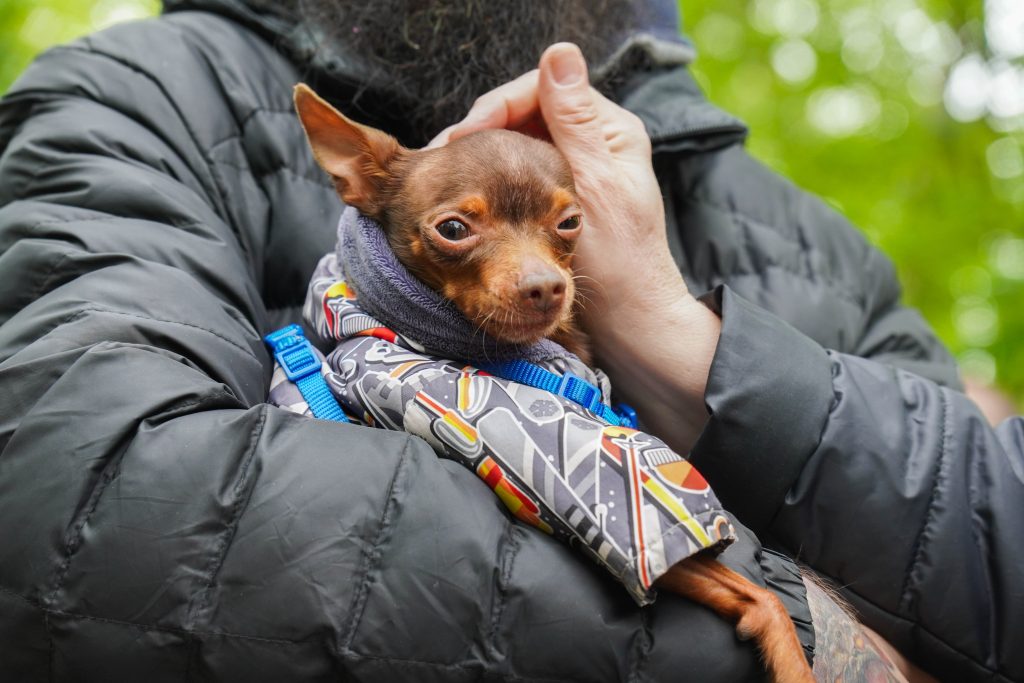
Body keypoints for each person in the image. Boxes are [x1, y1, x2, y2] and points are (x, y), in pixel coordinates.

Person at [0, 1, 1017, 681]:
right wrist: (776, 627)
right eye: (459, 226)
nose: (535, 271)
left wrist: (676, 336)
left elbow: (983, 577)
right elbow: (86, 506)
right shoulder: (146, 98)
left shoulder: (811, 242)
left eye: (559, 228)